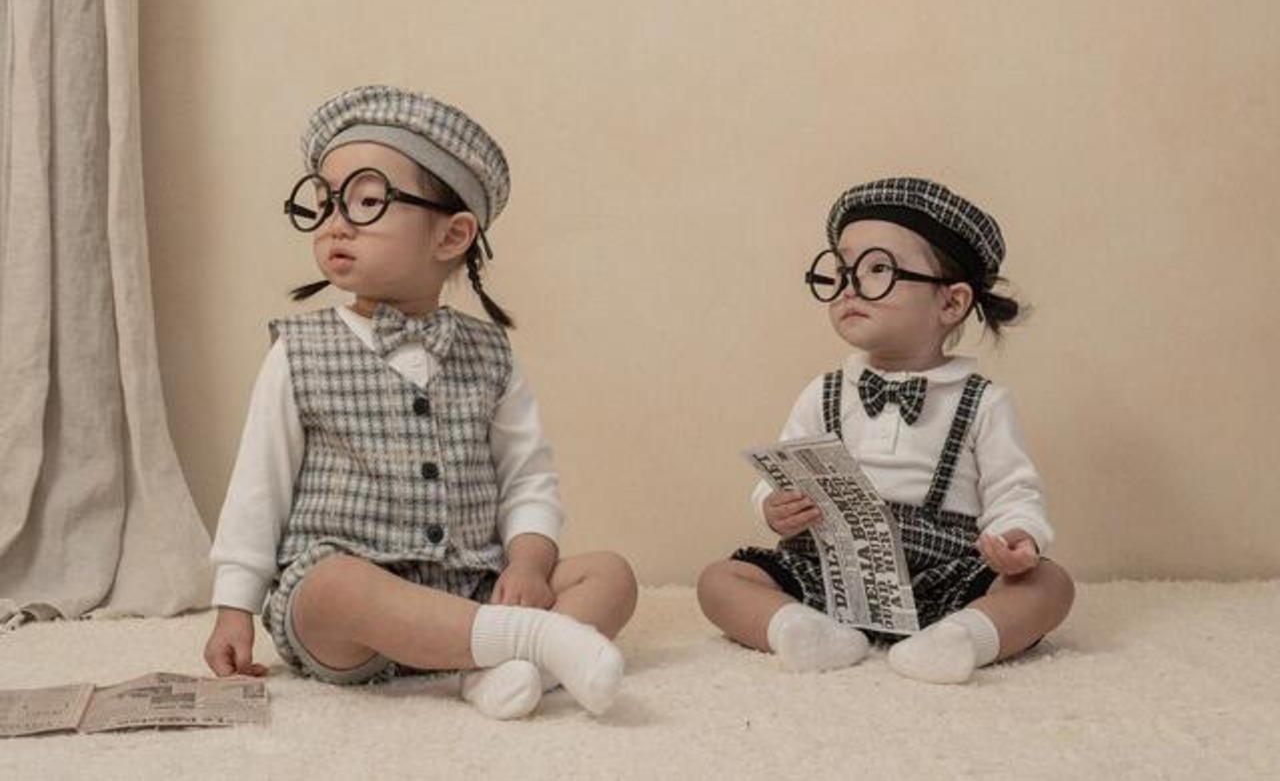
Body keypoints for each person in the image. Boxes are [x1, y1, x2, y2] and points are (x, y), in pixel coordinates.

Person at [203, 85, 637, 718]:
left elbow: (527, 477)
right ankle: (533, 642)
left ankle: (497, 666)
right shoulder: (299, 350)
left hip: (468, 587)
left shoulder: (490, 354)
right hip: (351, 622)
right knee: (335, 586)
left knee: (611, 575)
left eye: (367, 201)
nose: (335, 223)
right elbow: (256, 487)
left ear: (452, 235)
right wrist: (233, 606)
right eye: (324, 204)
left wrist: (528, 562)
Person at [698, 177, 1074, 684]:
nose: (851, 286)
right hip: (831, 570)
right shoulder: (824, 392)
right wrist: (773, 505)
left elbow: (1014, 492)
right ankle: (800, 629)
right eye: (843, 271)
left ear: (950, 303)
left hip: (943, 579)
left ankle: (960, 636)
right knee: (719, 580)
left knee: (1049, 584)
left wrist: (1016, 538)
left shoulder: (983, 402)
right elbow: (781, 470)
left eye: (878, 269)